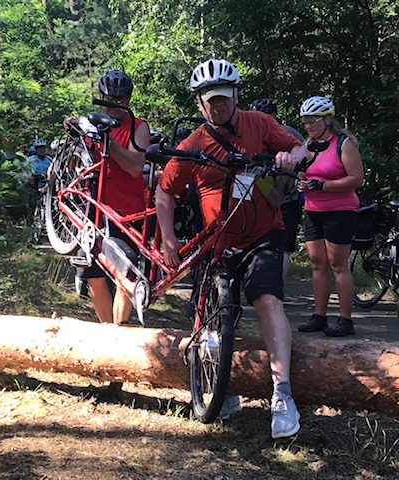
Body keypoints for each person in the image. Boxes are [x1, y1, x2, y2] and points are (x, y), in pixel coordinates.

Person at [155, 59, 309, 439]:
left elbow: (300, 149)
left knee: (268, 300)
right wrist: (169, 239)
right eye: (212, 101)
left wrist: (291, 157)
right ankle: (223, 387)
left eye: (224, 99)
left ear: (236, 96)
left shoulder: (259, 123)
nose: (219, 106)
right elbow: (164, 190)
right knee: (211, 316)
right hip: (217, 243)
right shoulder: (194, 143)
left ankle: (282, 394)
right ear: (200, 104)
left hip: (263, 234)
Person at [75, 69, 150, 326]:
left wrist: (108, 141)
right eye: (110, 98)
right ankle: (107, 331)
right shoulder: (90, 125)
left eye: (121, 100)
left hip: (128, 211)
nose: (115, 105)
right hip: (92, 209)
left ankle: (119, 332)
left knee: (124, 273)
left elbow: (135, 166)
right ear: (101, 96)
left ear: (129, 100)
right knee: (93, 274)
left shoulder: (139, 127)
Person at [296, 96, 364, 337]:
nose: (308, 125)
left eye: (313, 121)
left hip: (340, 210)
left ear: (327, 120)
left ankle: (345, 320)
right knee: (317, 263)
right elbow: (303, 173)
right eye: (305, 121)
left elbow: (356, 178)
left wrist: (323, 186)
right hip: (314, 211)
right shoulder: (308, 145)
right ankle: (319, 316)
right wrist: (302, 182)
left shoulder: (343, 144)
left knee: (338, 264)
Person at [249, 98, 305, 279]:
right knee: (280, 245)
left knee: (282, 245)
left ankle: (274, 289)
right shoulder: (254, 134)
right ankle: (272, 289)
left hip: (282, 198)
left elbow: (305, 159)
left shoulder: (286, 133)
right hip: (269, 198)